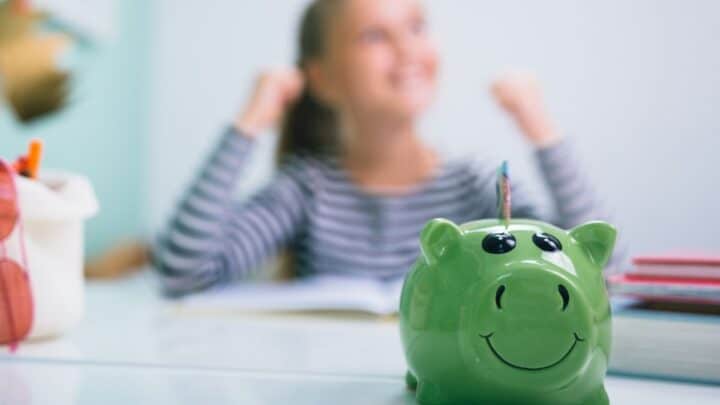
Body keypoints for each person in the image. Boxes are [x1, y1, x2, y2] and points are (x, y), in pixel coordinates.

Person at [153, 0, 620, 296]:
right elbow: (183, 272)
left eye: (416, 25)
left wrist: (538, 125)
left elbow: (598, 271)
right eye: (374, 35)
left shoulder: (475, 186)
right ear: (324, 79)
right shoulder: (307, 190)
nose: (406, 48)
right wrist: (251, 120)